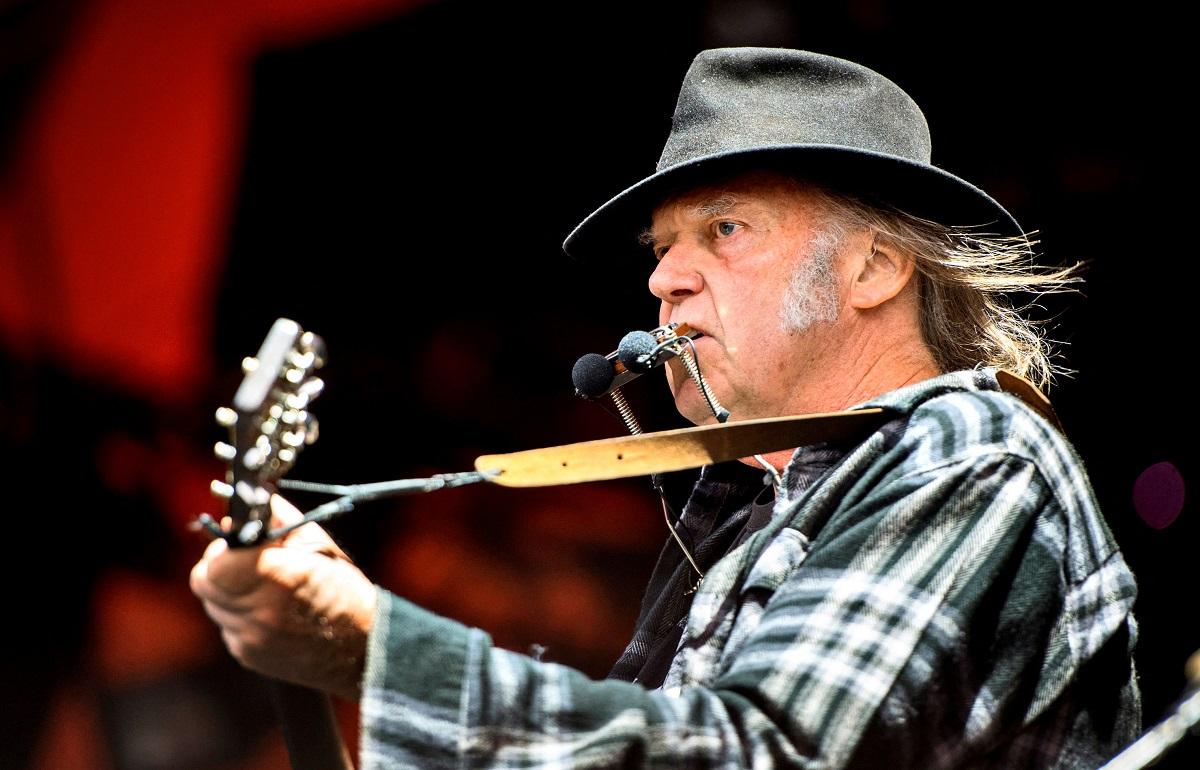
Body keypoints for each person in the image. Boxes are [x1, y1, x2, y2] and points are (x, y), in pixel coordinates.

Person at [191, 48, 1140, 768]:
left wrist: (383, 653)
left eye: (723, 229)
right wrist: (338, 647)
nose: (663, 277)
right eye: (662, 246)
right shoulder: (752, 509)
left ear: (874, 268)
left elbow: (763, 755)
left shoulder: (969, 446)